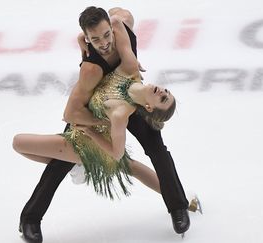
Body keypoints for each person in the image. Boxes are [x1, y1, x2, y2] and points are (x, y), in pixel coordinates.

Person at [15, 7, 190, 243]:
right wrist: (100, 121)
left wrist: (93, 32)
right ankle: (30, 219)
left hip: (134, 102)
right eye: (94, 39)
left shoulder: (121, 29)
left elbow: (121, 15)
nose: (104, 43)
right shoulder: (91, 68)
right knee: (60, 164)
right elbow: (70, 113)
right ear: (87, 38)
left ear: (113, 27)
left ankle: (178, 207)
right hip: (95, 111)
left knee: (157, 149)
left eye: (106, 34)